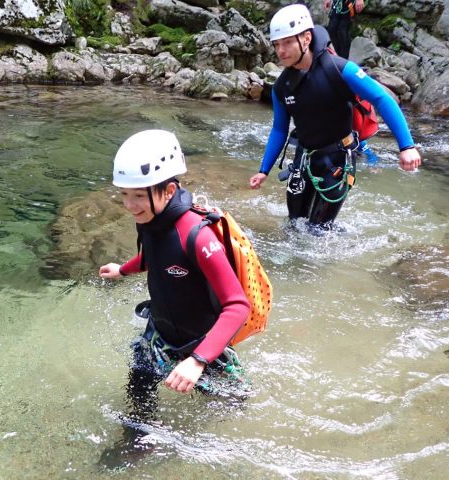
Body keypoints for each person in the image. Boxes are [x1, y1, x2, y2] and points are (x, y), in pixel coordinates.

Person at [98, 129, 252, 467]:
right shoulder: (151, 219)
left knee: (232, 407)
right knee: (139, 379)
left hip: (202, 344)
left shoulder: (198, 235)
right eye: (123, 194)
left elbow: (238, 305)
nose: (128, 205)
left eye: (137, 195)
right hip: (160, 332)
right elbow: (156, 255)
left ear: (169, 191)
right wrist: (123, 269)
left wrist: (197, 361)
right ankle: (140, 439)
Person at [249, 4, 422, 232]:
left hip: (338, 160)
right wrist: (263, 170)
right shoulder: (282, 87)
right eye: (277, 44)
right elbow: (280, 130)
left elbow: (382, 99)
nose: (281, 51)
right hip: (304, 160)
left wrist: (407, 146)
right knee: (294, 225)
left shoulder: (340, 70)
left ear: (306, 38)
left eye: (288, 42)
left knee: (318, 231)